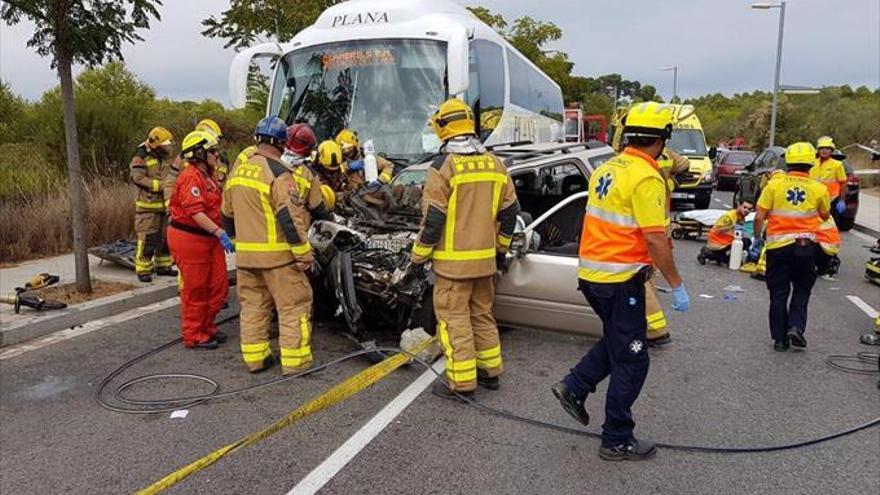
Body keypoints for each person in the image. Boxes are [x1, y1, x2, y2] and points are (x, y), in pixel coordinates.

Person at [551, 102, 690, 461]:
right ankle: (616, 439)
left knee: (618, 340)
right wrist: (676, 284)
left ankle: (575, 386)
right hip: (621, 279)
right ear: (661, 140)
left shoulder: (607, 168)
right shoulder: (645, 177)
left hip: (593, 276)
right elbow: (655, 238)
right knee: (633, 358)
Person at [409, 98, 519, 399]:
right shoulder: (496, 164)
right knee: (482, 314)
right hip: (485, 264)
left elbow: (433, 221)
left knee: (454, 320)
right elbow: (510, 213)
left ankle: (461, 383)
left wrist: (418, 258)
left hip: (452, 267)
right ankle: (490, 371)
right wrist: (500, 250)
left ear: (442, 128)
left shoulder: (442, 167)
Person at [221, 117, 315, 375]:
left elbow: (226, 214)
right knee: (294, 307)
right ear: (283, 143)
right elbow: (289, 217)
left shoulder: (238, 171)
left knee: (253, 308)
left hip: (247, 259)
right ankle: (296, 363)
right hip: (278, 259)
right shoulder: (279, 172)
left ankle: (256, 359)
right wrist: (303, 253)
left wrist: (241, 245)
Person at [750, 142, 830, 352]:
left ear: (788, 163)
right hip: (806, 247)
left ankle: (779, 340)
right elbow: (825, 215)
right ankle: (795, 327)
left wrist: (757, 238)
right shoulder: (818, 188)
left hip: (778, 248)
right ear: (811, 164)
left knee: (778, 293)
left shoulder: (774, 185)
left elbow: (759, 216)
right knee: (802, 290)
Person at [167, 131, 232, 350]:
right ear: (199, 154)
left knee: (219, 286)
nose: (217, 155)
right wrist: (219, 232)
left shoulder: (208, 176)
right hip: (191, 239)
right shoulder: (190, 177)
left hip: (209, 239)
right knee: (196, 289)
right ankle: (194, 334)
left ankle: (207, 326)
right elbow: (196, 212)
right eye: (212, 151)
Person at [645, 146, 691, 347]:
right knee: (649, 276)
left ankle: (656, 331)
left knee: (642, 279)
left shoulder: (629, 162)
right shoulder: (668, 153)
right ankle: (651, 328)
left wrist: (669, 185)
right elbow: (685, 167)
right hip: (659, 223)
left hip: (647, 227)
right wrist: (671, 184)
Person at [130, 127, 177, 283]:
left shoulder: (164, 157)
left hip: (163, 206)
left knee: (165, 239)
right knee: (147, 239)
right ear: (156, 144)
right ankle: (143, 269)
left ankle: (163, 266)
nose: (168, 147)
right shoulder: (140, 157)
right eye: (165, 144)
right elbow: (138, 178)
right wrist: (161, 186)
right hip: (147, 207)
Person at [282, 123, 331, 223]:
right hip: (294, 226)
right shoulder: (310, 175)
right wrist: (331, 219)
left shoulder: (266, 160)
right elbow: (316, 206)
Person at [697, 200, 754, 265]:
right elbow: (717, 229)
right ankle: (706, 252)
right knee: (745, 242)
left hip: (727, 242)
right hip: (717, 243)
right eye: (744, 207)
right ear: (739, 206)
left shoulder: (741, 217)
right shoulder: (729, 216)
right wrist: (733, 227)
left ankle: (718, 255)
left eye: (749, 209)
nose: (746, 210)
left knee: (746, 242)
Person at [810, 136, 847, 224]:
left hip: (831, 201)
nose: (824, 150)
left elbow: (843, 183)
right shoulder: (812, 163)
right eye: (821, 148)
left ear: (831, 151)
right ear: (818, 150)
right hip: (814, 201)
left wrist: (842, 200)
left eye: (827, 148)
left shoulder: (837, 165)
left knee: (830, 225)